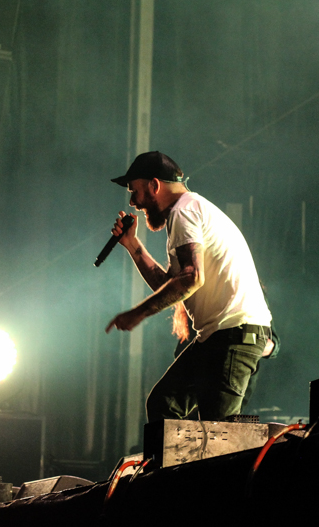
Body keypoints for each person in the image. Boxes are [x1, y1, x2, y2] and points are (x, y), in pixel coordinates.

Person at [105, 151, 273, 420]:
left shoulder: (184, 210)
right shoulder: (189, 210)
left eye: (134, 191)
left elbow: (192, 278)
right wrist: (133, 246)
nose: (133, 202)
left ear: (154, 185)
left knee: (219, 433)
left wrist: (138, 313)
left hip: (234, 334)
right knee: (163, 404)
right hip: (218, 335)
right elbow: (172, 286)